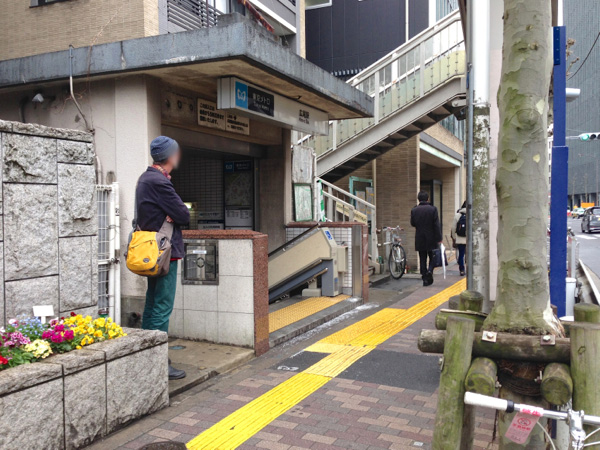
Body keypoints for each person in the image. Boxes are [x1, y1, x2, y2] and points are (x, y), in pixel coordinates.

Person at [136, 136, 190, 380]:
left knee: (152, 303)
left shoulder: (146, 178)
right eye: (176, 152)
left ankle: (146, 356)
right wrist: (174, 213)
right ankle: (158, 362)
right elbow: (183, 214)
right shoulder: (160, 182)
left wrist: (172, 213)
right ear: (169, 155)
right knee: (162, 306)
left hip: (152, 252)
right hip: (165, 253)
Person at [410, 191, 442, 286]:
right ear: (428, 199)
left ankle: (424, 278)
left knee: (422, 258)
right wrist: (439, 238)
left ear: (418, 199)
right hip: (431, 237)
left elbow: (413, 223)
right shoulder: (433, 209)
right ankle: (430, 270)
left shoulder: (414, 210)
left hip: (420, 237)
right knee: (433, 256)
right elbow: (436, 225)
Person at [451, 201, 467, 276]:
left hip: (460, 239)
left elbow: (453, 228)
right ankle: (470, 270)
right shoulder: (472, 215)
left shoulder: (457, 215)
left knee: (461, 255)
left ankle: (462, 270)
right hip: (470, 240)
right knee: (470, 255)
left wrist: (454, 238)